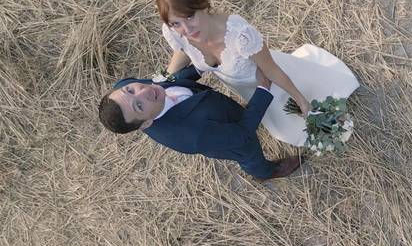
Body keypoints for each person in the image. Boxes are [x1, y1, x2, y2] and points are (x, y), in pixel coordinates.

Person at [156, 0, 359, 147]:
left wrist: (302, 102)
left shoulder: (239, 35)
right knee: (277, 119)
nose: (187, 29)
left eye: (190, 17)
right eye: (176, 23)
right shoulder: (175, 32)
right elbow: (182, 51)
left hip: (271, 79)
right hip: (246, 89)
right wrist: (164, 80)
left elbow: (272, 70)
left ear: (201, 4)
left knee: (296, 108)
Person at [97, 64, 301, 181]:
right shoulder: (194, 135)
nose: (144, 91)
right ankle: (265, 172)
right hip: (230, 137)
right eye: (139, 106)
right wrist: (263, 88)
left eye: (131, 90)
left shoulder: (124, 88)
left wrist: (202, 65)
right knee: (248, 151)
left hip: (216, 107)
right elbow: (243, 132)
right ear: (144, 124)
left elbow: (170, 81)